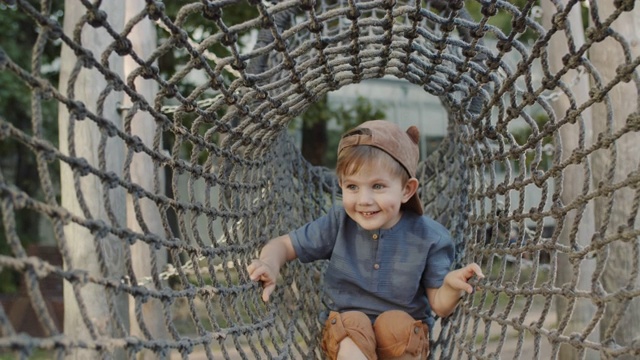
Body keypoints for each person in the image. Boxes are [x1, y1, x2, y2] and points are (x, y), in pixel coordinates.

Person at [247, 120, 484, 360]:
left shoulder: (430, 237)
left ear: (406, 190)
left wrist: (451, 287)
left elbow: (440, 305)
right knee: (352, 325)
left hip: (403, 339)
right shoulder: (338, 224)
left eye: (378, 186)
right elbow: (284, 245)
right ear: (341, 185)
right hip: (347, 333)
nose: (364, 200)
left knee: (397, 326)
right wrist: (269, 263)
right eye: (352, 186)